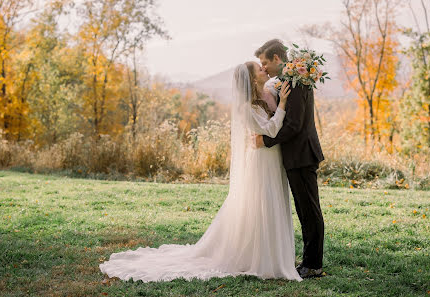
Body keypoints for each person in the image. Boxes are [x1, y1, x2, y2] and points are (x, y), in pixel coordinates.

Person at [99, 61, 303, 283]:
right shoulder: (246, 108)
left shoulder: (261, 99)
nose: (265, 70)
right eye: (260, 70)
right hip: (262, 162)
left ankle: (271, 254)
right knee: (262, 204)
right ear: (253, 80)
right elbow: (271, 129)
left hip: (270, 158)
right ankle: (262, 258)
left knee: (269, 203)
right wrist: (283, 103)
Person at [253, 39, 325, 278]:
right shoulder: (289, 80)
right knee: (304, 210)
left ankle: (312, 265)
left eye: (265, 62)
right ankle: (308, 261)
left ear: (276, 58)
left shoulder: (296, 81)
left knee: (309, 210)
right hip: (297, 154)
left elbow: (294, 125)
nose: (264, 68)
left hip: (302, 154)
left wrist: (267, 140)